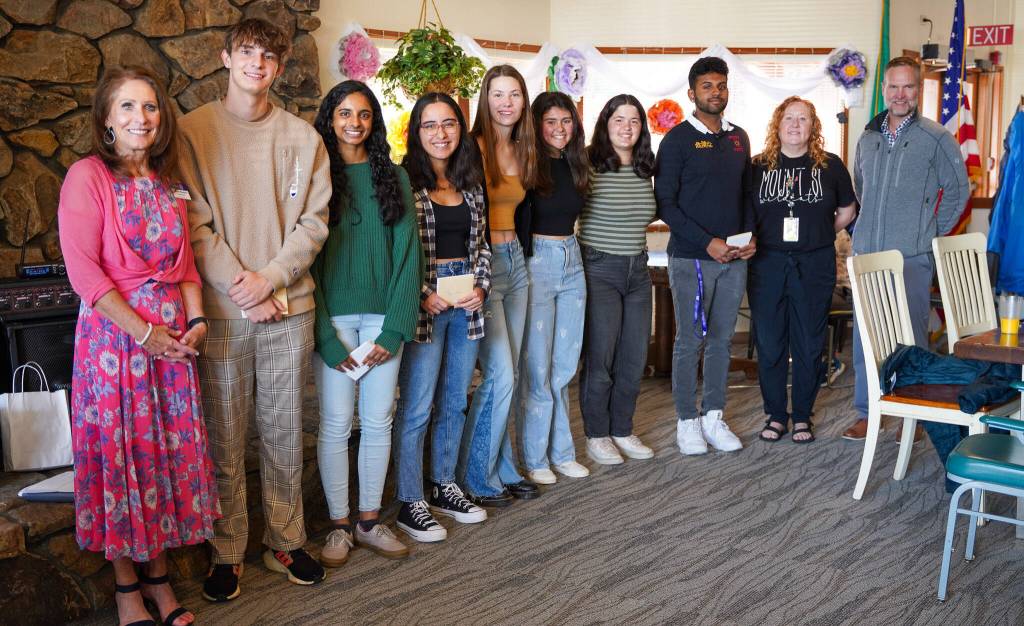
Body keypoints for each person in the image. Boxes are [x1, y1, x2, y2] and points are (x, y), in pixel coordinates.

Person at [59, 65, 218, 626]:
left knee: (160, 462)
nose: (140, 117)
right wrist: (146, 333)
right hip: (115, 347)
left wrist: (196, 321)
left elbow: (187, 267)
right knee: (120, 462)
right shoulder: (87, 177)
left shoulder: (168, 182)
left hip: (172, 349)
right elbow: (85, 275)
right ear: (106, 119)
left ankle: (159, 579)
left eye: (149, 107)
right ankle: (128, 587)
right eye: (126, 107)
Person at [177, 18, 331, 598]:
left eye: (269, 56)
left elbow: (314, 223)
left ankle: (286, 541)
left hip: (289, 309)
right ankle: (227, 550)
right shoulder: (193, 133)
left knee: (285, 432)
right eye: (247, 53)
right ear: (225, 57)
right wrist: (244, 290)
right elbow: (191, 220)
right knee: (224, 434)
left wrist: (269, 281)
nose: (257, 64)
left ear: (280, 66)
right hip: (220, 313)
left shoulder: (303, 138)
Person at [310, 81, 422, 562]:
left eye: (364, 115)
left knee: (378, 422)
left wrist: (394, 329)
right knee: (335, 424)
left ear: (373, 122)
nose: (354, 123)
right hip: (333, 320)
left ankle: (370, 521)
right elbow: (305, 262)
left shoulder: (392, 177)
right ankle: (338, 526)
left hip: (382, 321)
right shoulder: (315, 177)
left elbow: (408, 258)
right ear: (330, 119)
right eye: (344, 113)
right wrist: (324, 340)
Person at [841, 56, 969, 442]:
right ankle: (869, 412)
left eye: (908, 87)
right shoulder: (867, 137)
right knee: (867, 336)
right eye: (893, 87)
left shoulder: (936, 137)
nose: (900, 94)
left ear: (918, 89)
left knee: (910, 337)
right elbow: (860, 187)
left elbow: (959, 191)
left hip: (910, 258)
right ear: (884, 90)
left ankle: (911, 416)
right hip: (866, 255)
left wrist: (928, 235)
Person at [393, 92, 490, 542]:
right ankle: (410, 500)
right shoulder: (403, 183)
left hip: (466, 305)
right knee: (415, 407)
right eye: (429, 125)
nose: (440, 133)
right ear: (417, 132)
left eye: (448, 123)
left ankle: (443, 483)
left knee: (454, 400)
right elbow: (398, 251)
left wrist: (481, 287)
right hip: (426, 307)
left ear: (459, 128)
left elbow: (482, 245)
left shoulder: (471, 181)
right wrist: (422, 292)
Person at [654, 56, 756, 456]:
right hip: (692, 258)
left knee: (721, 340)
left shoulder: (739, 137)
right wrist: (708, 241)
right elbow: (667, 204)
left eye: (721, 85)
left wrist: (751, 238)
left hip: (735, 259)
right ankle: (687, 421)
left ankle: (714, 415)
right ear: (692, 93)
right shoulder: (677, 140)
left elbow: (747, 194)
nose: (716, 92)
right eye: (708, 86)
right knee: (690, 340)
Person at [748, 96, 857, 444]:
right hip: (767, 263)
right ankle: (776, 415)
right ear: (777, 125)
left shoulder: (831, 166)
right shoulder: (757, 167)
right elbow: (745, 215)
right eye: (789, 118)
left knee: (809, 342)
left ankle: (802, 416)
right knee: (770, 341)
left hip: (814, 263)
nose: (796, 125)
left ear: (814, 127)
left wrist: (819, 233)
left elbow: (847, 210)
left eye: (804, 119)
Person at [459, 65, 540, 506]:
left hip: (518, 265)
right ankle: (475, 476)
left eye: (514, 94)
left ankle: (502, 467)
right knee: (500, 375)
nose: (506, 102)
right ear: (485, 100)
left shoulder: (524, 149)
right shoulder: (472, 148)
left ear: (524, 101)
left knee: (509, 374)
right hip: (485, 270)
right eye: (497, 94)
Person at [578, 94, 658, 465]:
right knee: (602, 357)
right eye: (619, 120)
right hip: (599, 268)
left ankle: (622, 429)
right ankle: (597, 433)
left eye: (634, 121)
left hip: (638, 271)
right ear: (605, 123)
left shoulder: (646, 167)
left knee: (633, 356)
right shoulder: (589, 163)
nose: (626, 127)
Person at [518, 91, 590, 483]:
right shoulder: (528, 163)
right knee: (538, 367)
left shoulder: (576, 164)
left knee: (565, 365)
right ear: (536, 124)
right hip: (537, 262)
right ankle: (535, 458)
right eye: (551, 122)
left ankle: (562, 451)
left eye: (566, 121)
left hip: (572, 258)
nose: (560, 129)